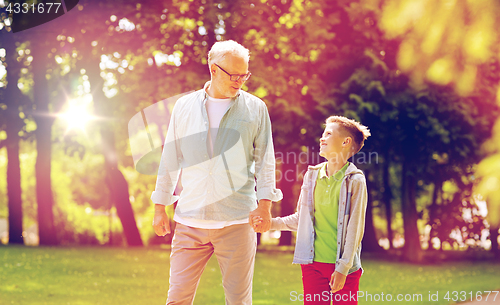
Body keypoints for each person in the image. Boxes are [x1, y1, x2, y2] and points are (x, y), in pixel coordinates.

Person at [151, 40, 282, 305]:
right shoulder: (184, 107)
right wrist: (159, 207)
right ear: (213, 69)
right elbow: (170, 159)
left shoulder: (256, 108)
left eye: (244, 74)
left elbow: (265, 161)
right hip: (189, 221)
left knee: (238, 301)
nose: (239, 81)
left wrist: (265, 205)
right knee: (176, 299)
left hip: (236, 221)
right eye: (233, 75)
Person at [253, 116, 370, 304]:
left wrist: (342, 268)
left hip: (344, 268)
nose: (322, 138)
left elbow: (354, 230)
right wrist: (270, 223)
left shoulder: (355, 180)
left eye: (329, 134)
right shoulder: (312, 175)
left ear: (346, 142)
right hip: (312, 266)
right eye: (323, 134)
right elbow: (302, 219)